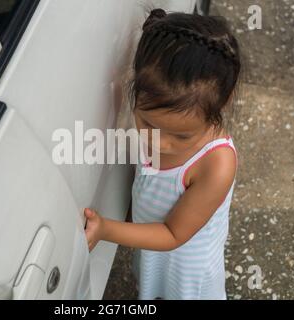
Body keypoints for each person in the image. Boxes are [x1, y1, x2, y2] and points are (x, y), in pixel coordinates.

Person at [84, 8, 241, 300]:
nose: (160, 144)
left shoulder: (216, 164)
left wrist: (106, 229)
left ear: (220, 108)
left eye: (181, 135)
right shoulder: (159, 127)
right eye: (148, 124)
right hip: (155, 248)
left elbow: (172, 234)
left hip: (187, 267)